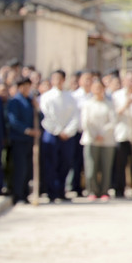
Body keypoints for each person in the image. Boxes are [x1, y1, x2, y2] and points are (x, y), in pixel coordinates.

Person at [39, 70, 78, 202]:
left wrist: (68, 131)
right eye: (54, 78)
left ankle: (61, 190)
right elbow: (46, 116)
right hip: (51, 134)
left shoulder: (70, 97)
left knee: (66, 163)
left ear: (64, 80)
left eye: (59, 78)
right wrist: (58, 130)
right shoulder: (46, 96)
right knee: (51, 163)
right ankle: (52, 191)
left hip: (68, 135)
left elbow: (75, 116)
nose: (57, 81)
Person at [80, 77, 118, 201]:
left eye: (100, 88)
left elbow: (113, 121)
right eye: (95, 88)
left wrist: (103, 133)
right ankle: (92, 190)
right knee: (91, 167)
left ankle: (104, 191)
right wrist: (95, 134)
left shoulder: (109, 104)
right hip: (91, 139)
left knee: (106, 167)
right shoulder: (88, 104)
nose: (98, 90)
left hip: (107, 140)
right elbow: (86, 122)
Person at [6, 77, 39, 204]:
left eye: (28, 86)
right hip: (19, 139)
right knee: (20, 168)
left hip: (30, 141)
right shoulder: (15, 101)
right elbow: (13, 121)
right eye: (24, 86)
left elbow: (38, 117)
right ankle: (18, 194)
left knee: (28, 169)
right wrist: (28, 130)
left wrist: (37, 108)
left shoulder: (31, 101)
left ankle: (25, 194)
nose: (26, 89)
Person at [70, 70, 93, 195]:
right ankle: (75, 186)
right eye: (86, 79)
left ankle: (89, 187)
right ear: (80, 81)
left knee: (89, 161)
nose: (88, 82)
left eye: (90, 79)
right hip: (77, 132)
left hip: (91, 133)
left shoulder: (94, 95)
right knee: (76, 160)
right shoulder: (74, 96)